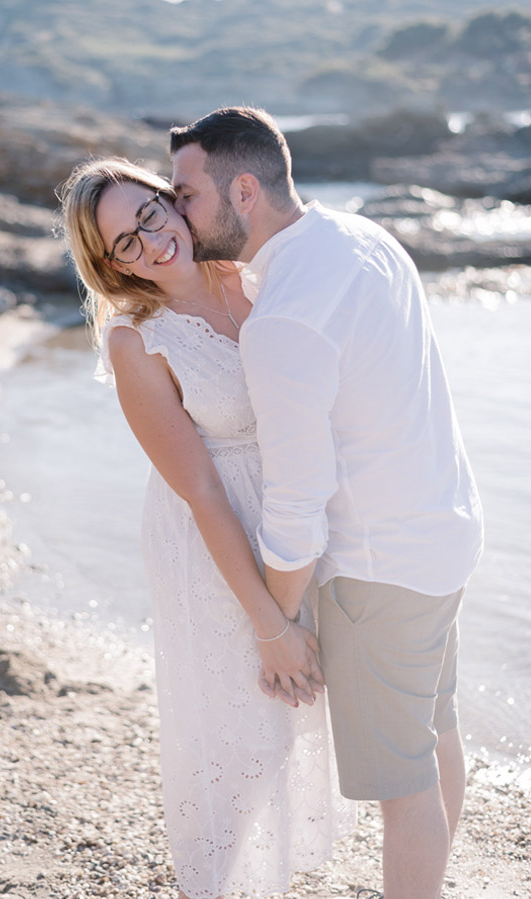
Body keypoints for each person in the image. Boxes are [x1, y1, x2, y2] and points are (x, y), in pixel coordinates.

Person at [169, 107, 484, 899]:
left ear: (244, 190)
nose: (176, 213)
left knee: (401, 787)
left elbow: (297, 505)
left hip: (378, 567)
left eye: (186, 194)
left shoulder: (283, 320)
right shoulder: (361, 237)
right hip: (445, 532)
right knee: (432, 729)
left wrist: (277, 624)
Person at [60, 157, 354, 899]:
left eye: (151, 214)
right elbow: (198, 489)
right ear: (109, 264)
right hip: (212, 536)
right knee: (240, 732)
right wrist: (267, 621)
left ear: (171, 200)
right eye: (125, 242)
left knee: (292, 716)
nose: (152, 242)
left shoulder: (250, 274)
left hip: (291, 512)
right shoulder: (136, 341)